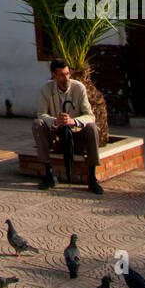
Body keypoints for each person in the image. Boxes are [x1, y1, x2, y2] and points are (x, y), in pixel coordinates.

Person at [32, 58, 104, 195]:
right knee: (37, 124)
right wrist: (55, 121)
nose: (66, 78)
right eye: (61, 75)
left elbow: (90, 116)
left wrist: (73, 121)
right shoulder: (47, 89)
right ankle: (49, 174)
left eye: (67, 74)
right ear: (53, 75)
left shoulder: (78, 88)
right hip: (57, 134)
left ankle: (92, 177)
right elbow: (41, 114)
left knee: (92, 128)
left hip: (76, 133)